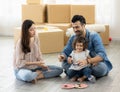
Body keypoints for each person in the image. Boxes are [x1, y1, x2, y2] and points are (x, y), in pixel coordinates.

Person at [58, 15, 112, 80]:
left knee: (101, 69)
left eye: (77, 27)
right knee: (64, 63)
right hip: (78, 64)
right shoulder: (73, 37)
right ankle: (86, 74)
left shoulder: (94, 36)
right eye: (73, 28)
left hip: (92, 63)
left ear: (83, 25)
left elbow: (102, 54)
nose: (75, 30)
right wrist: (62, 56)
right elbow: (66, 52)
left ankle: (77, 73)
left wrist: (88, 61)